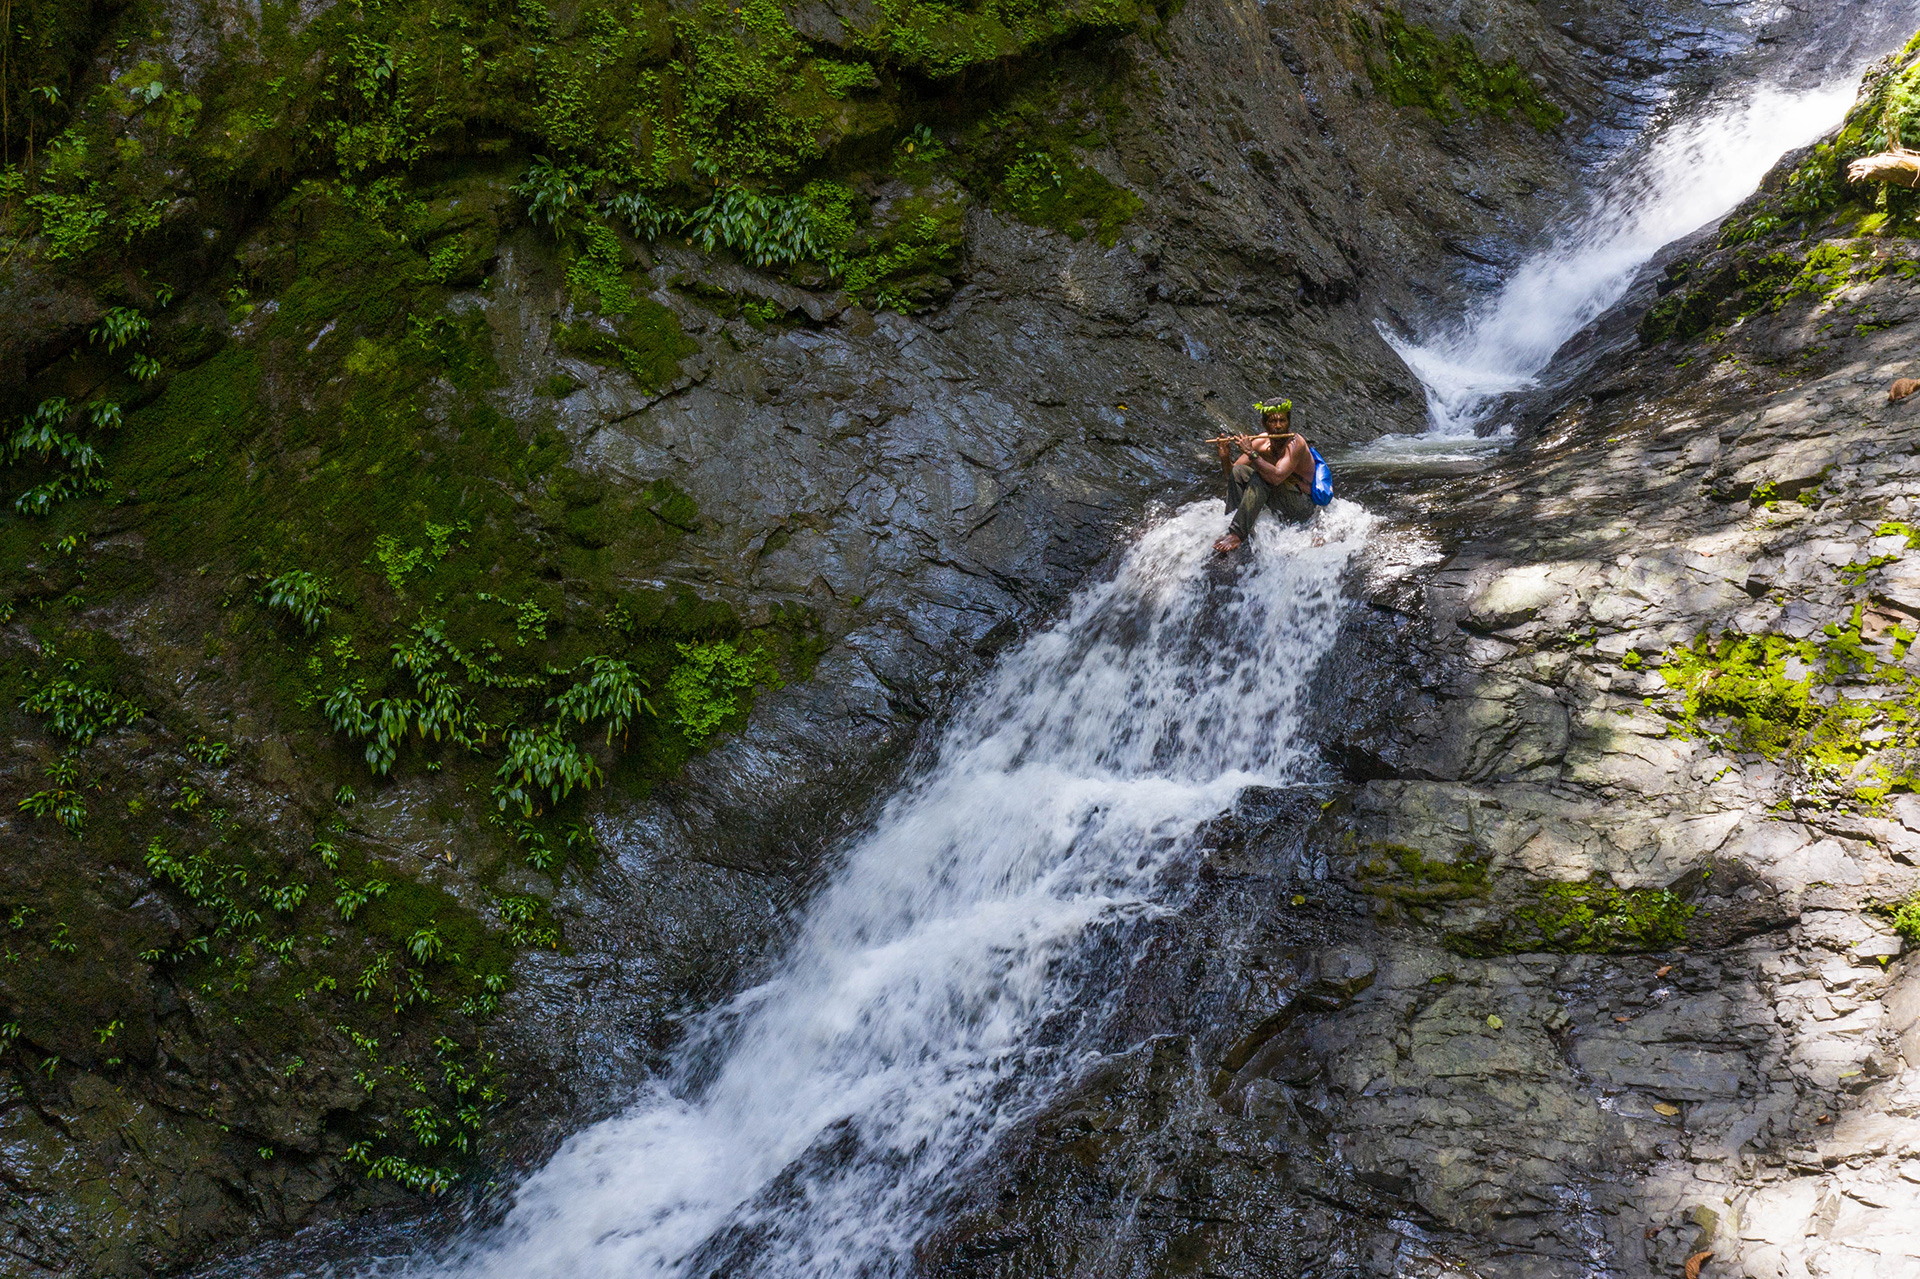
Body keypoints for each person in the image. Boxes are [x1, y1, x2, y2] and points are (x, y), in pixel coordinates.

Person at [1213, 401, 1317, 553]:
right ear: (1264, 423)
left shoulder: (1296, 443)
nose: (1278, 426)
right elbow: (1232, 475)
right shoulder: (1261, 441)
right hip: (1278, 499)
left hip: (1302, 506)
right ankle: (1231, 523)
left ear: (1288, 422)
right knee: (1240, 471)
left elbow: (1276, 477)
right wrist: (1224, 458)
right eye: (1273, 421)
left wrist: (1252, 453)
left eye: (1282, 421)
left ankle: (1237, 534)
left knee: (1262, 477)